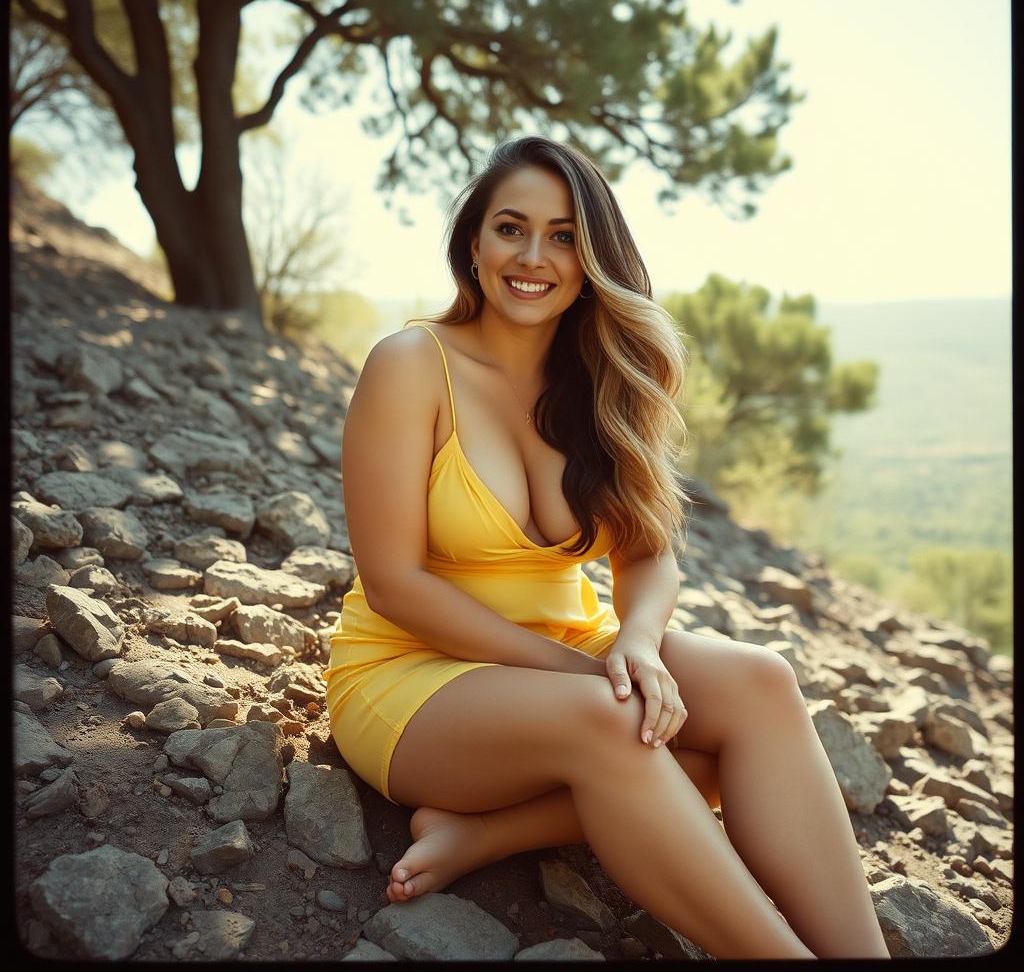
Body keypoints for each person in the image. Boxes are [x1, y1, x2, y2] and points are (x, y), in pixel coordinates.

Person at [323, 135, 890, 959]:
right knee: (628, 725)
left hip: (570, 658)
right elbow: (394, 583)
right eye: (511, 228)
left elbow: (648, 552)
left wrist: (638, 645)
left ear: (592, 260)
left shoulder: (600, 377)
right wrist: (596, 679)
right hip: (410, 678)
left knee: (759, 686)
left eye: (563, 237)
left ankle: (485, 834)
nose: (533, 256)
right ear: (472, 243)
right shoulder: (412, 364)